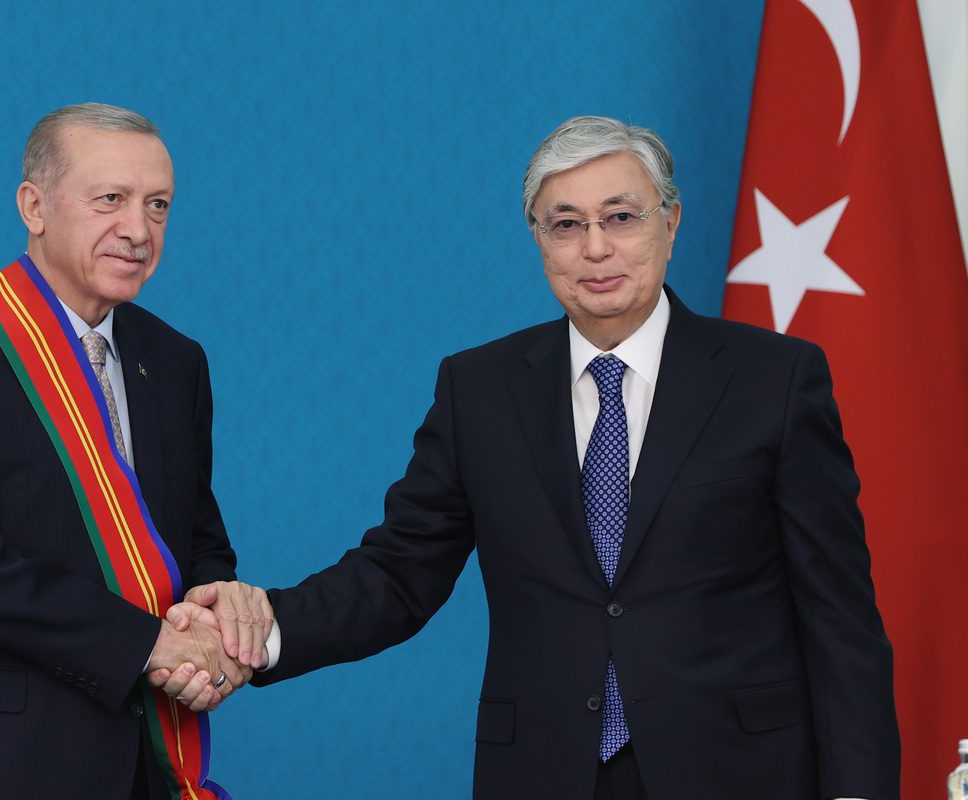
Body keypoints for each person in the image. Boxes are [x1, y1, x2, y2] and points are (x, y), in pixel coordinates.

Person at [193, 115, 900, 798]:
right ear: (539, 239)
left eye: (621, 217)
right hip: (543, 769)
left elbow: (838, 614)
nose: (595, 249)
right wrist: (259, 630)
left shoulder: (773, 380)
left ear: (671, 223)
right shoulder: (480, 389)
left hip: (739, 770)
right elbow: (397, 575)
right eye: (566, 225)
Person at [0, 103, 273, 799]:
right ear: (34, 206)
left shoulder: (176, 361)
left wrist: (214, 614)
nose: (138, 230)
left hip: (143, 760)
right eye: (110, 200)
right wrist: (148, 646)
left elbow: (197, 538)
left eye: (158, 205)